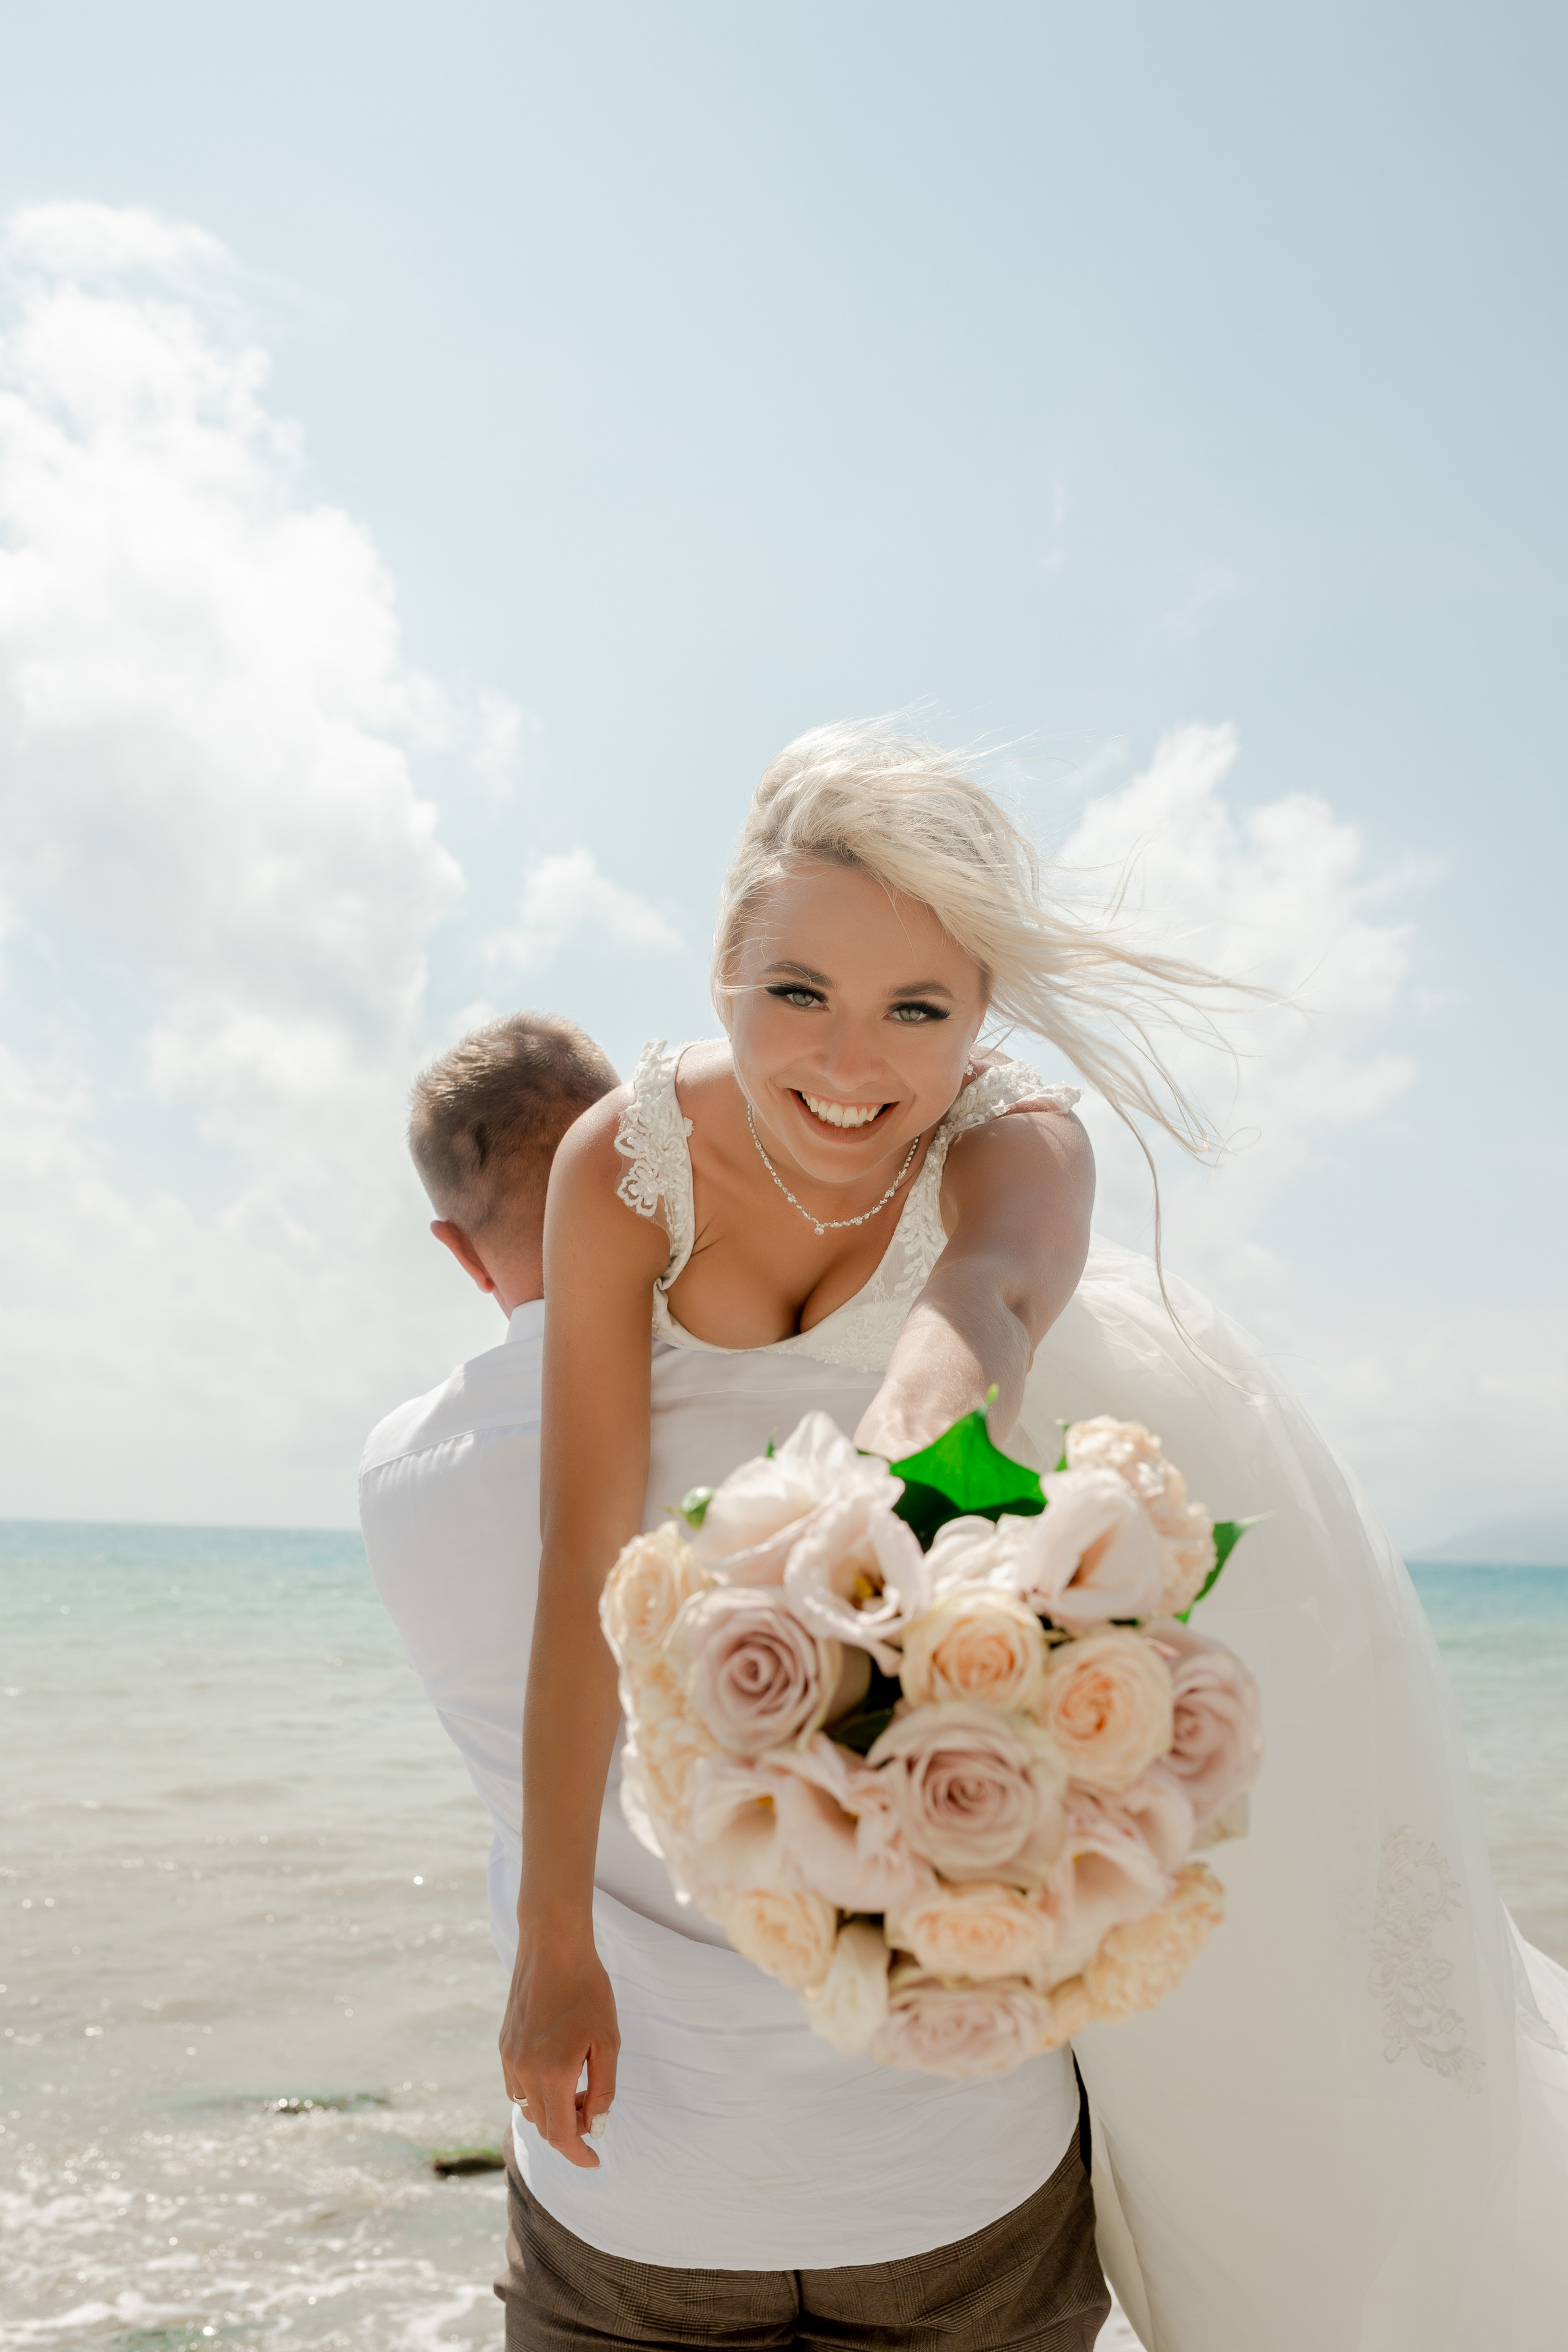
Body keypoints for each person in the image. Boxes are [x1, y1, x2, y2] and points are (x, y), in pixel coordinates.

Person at [503, 721, 1568, 2352]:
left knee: (1299, 2111)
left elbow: (983, 1298)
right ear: (720, 966)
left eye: (917, 1010)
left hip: (1095, 1594)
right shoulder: (626, 1166)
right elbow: (581, 1555)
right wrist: (551, 1945)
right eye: (797, 991)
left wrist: (886, 1501)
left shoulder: (1022, 1141)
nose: (850, 1064)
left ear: (983, 1008)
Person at [358, 1010, 620, 1996]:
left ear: (460, 1253)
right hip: (894, 2051)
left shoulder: (392, 1468)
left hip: (588, 2051)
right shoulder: (780, 1391)